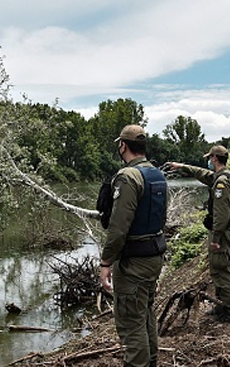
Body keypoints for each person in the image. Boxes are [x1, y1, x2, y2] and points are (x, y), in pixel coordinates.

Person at [99, 124, 168, 367]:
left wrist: (106, 262)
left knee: (130, 322)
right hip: (153, 257)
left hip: (134, 263)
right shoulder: (158, 174)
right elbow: (161, 219)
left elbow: (119, 229)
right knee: (145, 314)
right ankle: (151, 362)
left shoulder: (128, 177)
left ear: (123, 146)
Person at [167, 145, 230, 322]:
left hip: (221, 233)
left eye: (210, 157)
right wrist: (181, 166)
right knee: (217, 268)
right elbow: (201, 173)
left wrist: (215, 238)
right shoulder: (220, 176)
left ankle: (229, 310)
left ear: (214, 158)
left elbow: (221, 215)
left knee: (223, 269)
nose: (208, 160)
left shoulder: (222, 182)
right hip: (222, 232)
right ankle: (221, 305)